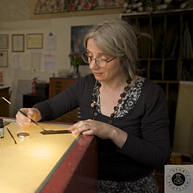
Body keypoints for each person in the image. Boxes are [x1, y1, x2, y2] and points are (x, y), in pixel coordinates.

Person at [15, 19, 171, 192]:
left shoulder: (150, 94)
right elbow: (51, 107)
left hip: (131, 185)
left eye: (102, 59)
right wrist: (34, 111)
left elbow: (159, 157)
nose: (92, 65)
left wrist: (111, 132)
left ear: (125, 56)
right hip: (85, 179)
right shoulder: (87, 85)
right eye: (89, 56)